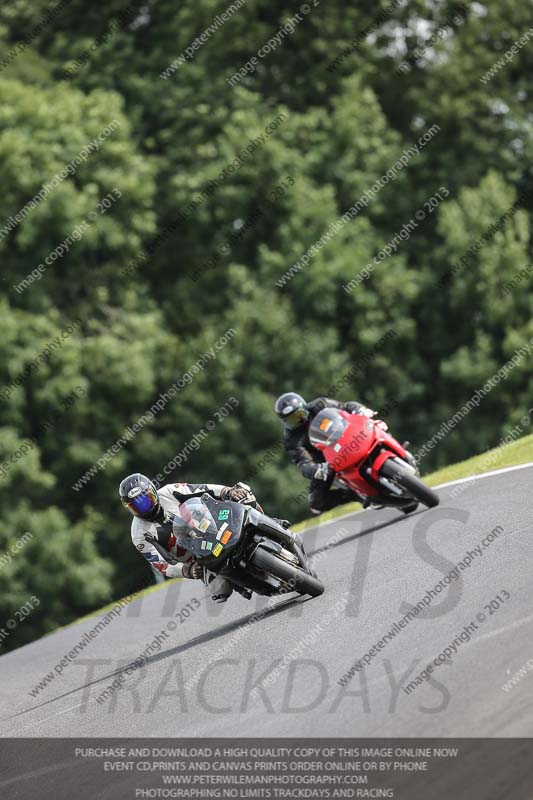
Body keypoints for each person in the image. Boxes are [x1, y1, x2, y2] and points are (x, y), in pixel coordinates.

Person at [119, 474, 301, 603]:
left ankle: (270, 522)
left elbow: (202, 489)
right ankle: (250, 583)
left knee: (244, 493)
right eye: (136, 505)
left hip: (216, 527)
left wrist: (227, 492)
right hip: (200, 558)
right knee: (221, 590)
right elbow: (161, 564)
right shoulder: (139, 534)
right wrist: (187, 570)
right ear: (129, 508)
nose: (143, 507)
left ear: (153, 491)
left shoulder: (169, 491)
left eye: (146, 499)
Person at [275, 392, 376, 515]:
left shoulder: (321, 404)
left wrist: (359, 409)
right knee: (316, 504)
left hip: (350, 439)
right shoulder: (291, 440)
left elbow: (345, 406)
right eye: (292, 420)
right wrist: (316, 470)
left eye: (299, 414)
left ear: (304, 407)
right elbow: (303, 463)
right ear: (285, 422)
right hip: (327, 463)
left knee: (372, 425)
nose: (299, 420)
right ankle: (354, 494)